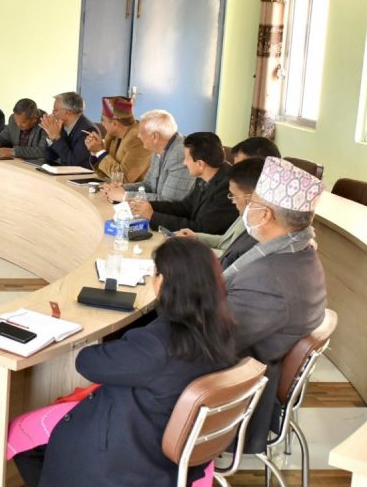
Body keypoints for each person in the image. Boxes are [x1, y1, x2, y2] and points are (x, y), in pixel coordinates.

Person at [10, 238, 235, 487]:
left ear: (166, 282)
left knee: (21, 436)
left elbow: (89, 362)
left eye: (155, 273)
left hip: (132, 460)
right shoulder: (223, 330)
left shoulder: (155, 345)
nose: (152, 279)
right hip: (174, 453)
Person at [224, 156, 327, 454]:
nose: (246, 208)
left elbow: (211, 338)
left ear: (265, 214)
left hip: (233, 393)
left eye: (252, 201)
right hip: (249, 361)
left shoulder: (269, 279)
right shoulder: (300, 252)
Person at [129, 132, 238, 234]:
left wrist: (153, 216)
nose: (184, 163)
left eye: (186, 158)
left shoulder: (228, 187)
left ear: (200, 164)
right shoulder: (205, 175)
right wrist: (147, 205)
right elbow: (184, 207)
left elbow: (201, 230)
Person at [174, 157, 264, 269]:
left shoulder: (258, 228)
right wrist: (195, 237)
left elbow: (229, 257)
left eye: (235, 196)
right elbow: (223, 241)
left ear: (250, 197)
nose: (232, 201)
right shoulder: (244, 212)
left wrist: (192, 247)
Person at [104, 109, 193, 203]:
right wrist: (122, 189)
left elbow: (168, 201)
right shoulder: (158, 149)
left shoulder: (181, 155)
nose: (139, 136)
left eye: (142, 132)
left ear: (155, 137)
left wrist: (124, 196)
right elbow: (148, 185)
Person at [83, 96, 149, 183]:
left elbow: (123, 179)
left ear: (114, 123)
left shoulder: (138, 139)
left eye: (103, 120)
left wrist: (100, 151)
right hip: (113, 187)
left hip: (134, 190)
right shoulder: (113, 135)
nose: (102, 124)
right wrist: (94, 152)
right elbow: (104, 173)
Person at [41, 91, 95, 167]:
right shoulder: (62, 126)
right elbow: (49, 156)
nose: (53, 113)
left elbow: (75, 163)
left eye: (55, 110)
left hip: (79, 173)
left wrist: (56, 137)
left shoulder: (87, 130)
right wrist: (50, 135)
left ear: (67, 112)